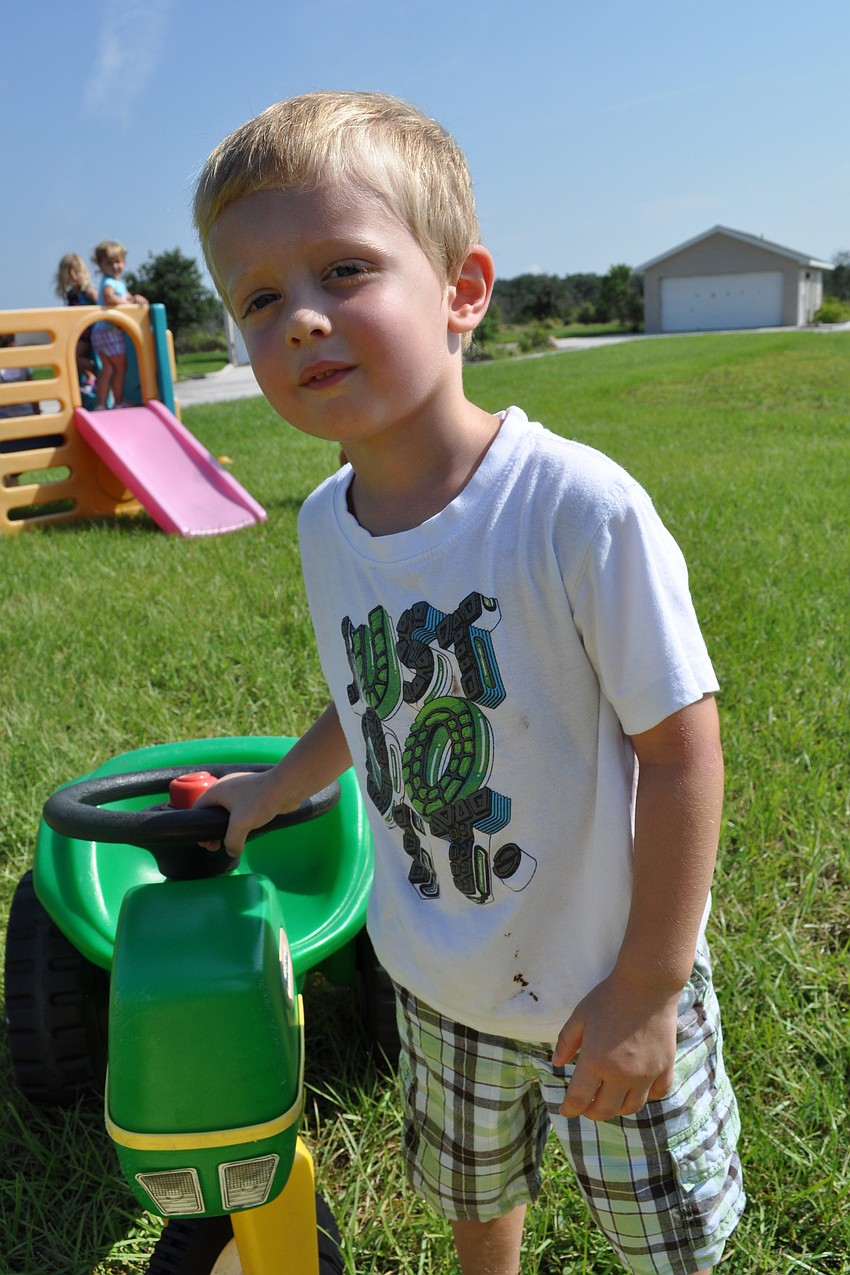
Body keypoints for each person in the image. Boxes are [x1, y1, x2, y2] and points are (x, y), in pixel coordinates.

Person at [191, 91, 744, 1275]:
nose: (299, 321)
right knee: (472, 1194)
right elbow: (365, 695)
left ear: (461, 290)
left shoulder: (573, 508)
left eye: (343, 269)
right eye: (259, 298)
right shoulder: (327, 526)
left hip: (605, 974)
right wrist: (270, 793)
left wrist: (648, 989)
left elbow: (682, 748)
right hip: (440, 980)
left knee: (667, 1241)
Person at [90, 240, 148, 409]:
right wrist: (129, 304)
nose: (115, 266)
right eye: (109, 263)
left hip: (100, 331)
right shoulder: (109, 283)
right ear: (100, 265)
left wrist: (135, 298)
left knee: (107, 369)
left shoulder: (118, 283)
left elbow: (127, 297)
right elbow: (109, 298)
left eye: (118, 262)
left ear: (123, 262)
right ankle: (117, 402)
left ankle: (101, 404)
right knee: (120, 368)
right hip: (109, 331)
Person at [55, 252, 98, 396]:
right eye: (69, 274)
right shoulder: (71, 294)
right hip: (78, 332)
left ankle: (92, 374)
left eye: (76, 273)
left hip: (88, 332)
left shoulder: (87, 291)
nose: (73, 277)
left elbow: (100, 304)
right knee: (66, 354)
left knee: (73, 355)